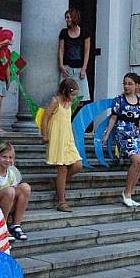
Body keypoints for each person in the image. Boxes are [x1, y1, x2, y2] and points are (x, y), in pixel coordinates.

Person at [103, 73, 140, 207]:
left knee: (139, 164)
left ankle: (130, 193)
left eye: (130, 83)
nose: (126, 86)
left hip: (135, 135)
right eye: (125, 83)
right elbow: (113, 118)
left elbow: (139, 120)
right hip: (123, 134)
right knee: (137, 160)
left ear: (137, 85)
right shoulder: (119, 100)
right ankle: (126, 193)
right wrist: (106, 134)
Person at [41, 78, 82, 212]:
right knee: (62, 168)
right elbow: (45, 117)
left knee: (77, 165)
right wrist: (45, 135)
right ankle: (61, 201)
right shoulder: (55, 101)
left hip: (68, 138)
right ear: (65, 91)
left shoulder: (69, 103)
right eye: (72, 94)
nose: (74, 97)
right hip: (57, 138)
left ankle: (58, 183)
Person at [0, 143, 31, 240]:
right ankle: (0, 227)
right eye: (4, 157)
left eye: (10, 157)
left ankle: (16, 225)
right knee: (9, 191)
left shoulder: (11, 174)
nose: (7, 160)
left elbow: (14, 196)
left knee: (25, 187)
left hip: (7, 206)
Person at [57, 8, 91, 102]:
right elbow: (61, 50)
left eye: (68, 17)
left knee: (81, 98)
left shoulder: (85, 32)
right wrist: (61, 66)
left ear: (74, 18)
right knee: (64, 97)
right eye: (66, 18)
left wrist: (84, 68)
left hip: (80, 69)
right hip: (67, 69)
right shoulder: (64, 33)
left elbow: (87, 51)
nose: (66, 20)